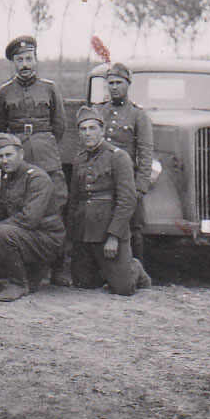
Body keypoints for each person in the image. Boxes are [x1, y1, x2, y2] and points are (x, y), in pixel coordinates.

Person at [0, 34, 70, 285]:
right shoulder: (3, 92)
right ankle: (30, 265)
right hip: (17, 154)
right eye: (19, 60)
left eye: (29, 58)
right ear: (13, 63)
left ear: (36, 60)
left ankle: (59, 266)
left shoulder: (50, 88)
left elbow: (60, 125)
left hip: (46, 152)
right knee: (21, 206)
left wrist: (42, 143)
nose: (25, 64)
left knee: (55, 205)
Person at [0, 133, 66, 302]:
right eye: (0, 156)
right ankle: (30, 271)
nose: (5, 160)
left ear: (21, 154)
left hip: (46, 239)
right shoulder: (7, 179)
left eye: (9, 155)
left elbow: (30, 219)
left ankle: (19, 283)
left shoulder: (37, 178)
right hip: (22, 238)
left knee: (2, 232)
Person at [68, 105, 152, 295]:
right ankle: (106, 270)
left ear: (102, 130)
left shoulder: (118, 157)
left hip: (108, 231)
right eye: (83, 129)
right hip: (85, 231)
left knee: (124, 288)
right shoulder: (79, 159)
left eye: (92, 128)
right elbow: (74, 200)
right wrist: (73, 237)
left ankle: (135, 268)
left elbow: (127, 201)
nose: (87, 133)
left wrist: (114, 236)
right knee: (83, 283)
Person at [96, 62, 154, 264]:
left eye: (119, 82)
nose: (114, 87)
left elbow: (146, 153)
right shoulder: (99, 111)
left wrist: (140, 186)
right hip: (102, 178)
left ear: (128, 84)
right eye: (110, 83)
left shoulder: (138, 115)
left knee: (134, 226)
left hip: (126, 180)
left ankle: (136, 269)